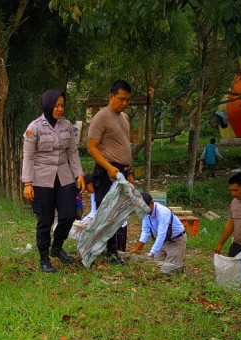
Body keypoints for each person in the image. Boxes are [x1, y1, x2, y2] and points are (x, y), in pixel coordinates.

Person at [22, 89, 85, 273]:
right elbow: (28, 157)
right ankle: (44, 258)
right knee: (45, 219)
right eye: (56, 105)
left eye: (62, 105)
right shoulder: (34, 127)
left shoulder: (66, 125)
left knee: (69, 214)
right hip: (42, 179)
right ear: (48, 105)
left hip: (64, 176)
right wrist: (28, 183)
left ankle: (56, 247)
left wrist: (78, 174)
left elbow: (72, 151)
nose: (59, 109)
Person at [87, 79, 134, 265]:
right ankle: (98, 250)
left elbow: (125, 145)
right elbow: (91, 147)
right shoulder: (101, 117)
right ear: (111, 96)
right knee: (105, 213)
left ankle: (112, 251)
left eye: (128, 100)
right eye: (121, 99)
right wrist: (108, 167)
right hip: (107, 172)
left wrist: (129, 172)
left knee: (118, 213)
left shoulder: (124, 118)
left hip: (122, 172)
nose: (125, 103)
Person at [130, 192, 187, 271]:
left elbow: (161, 235)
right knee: (154, 265)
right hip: (162, 241)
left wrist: (151, 253)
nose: (143, 210)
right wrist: (138, 249)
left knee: (170, 268)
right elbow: (146, 232)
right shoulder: (146, 213)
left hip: (175, 240)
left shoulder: (162, 212)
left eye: (144, 207)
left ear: (151, 203)